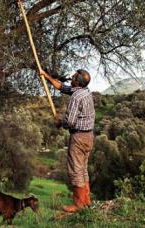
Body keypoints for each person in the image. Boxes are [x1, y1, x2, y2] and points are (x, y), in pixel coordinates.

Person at [41, 69, 95, 213]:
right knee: (83, 169)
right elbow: (63, 88)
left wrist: (60, 123)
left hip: (78, 138)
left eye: (74, 76)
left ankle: (78, 205)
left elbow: (70, 122)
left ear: (77, 81)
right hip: (89, 137)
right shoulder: (85, 91)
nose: (71, 76)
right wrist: (46, 76)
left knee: (75, 170)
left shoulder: (76, 97)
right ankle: (86, 201)